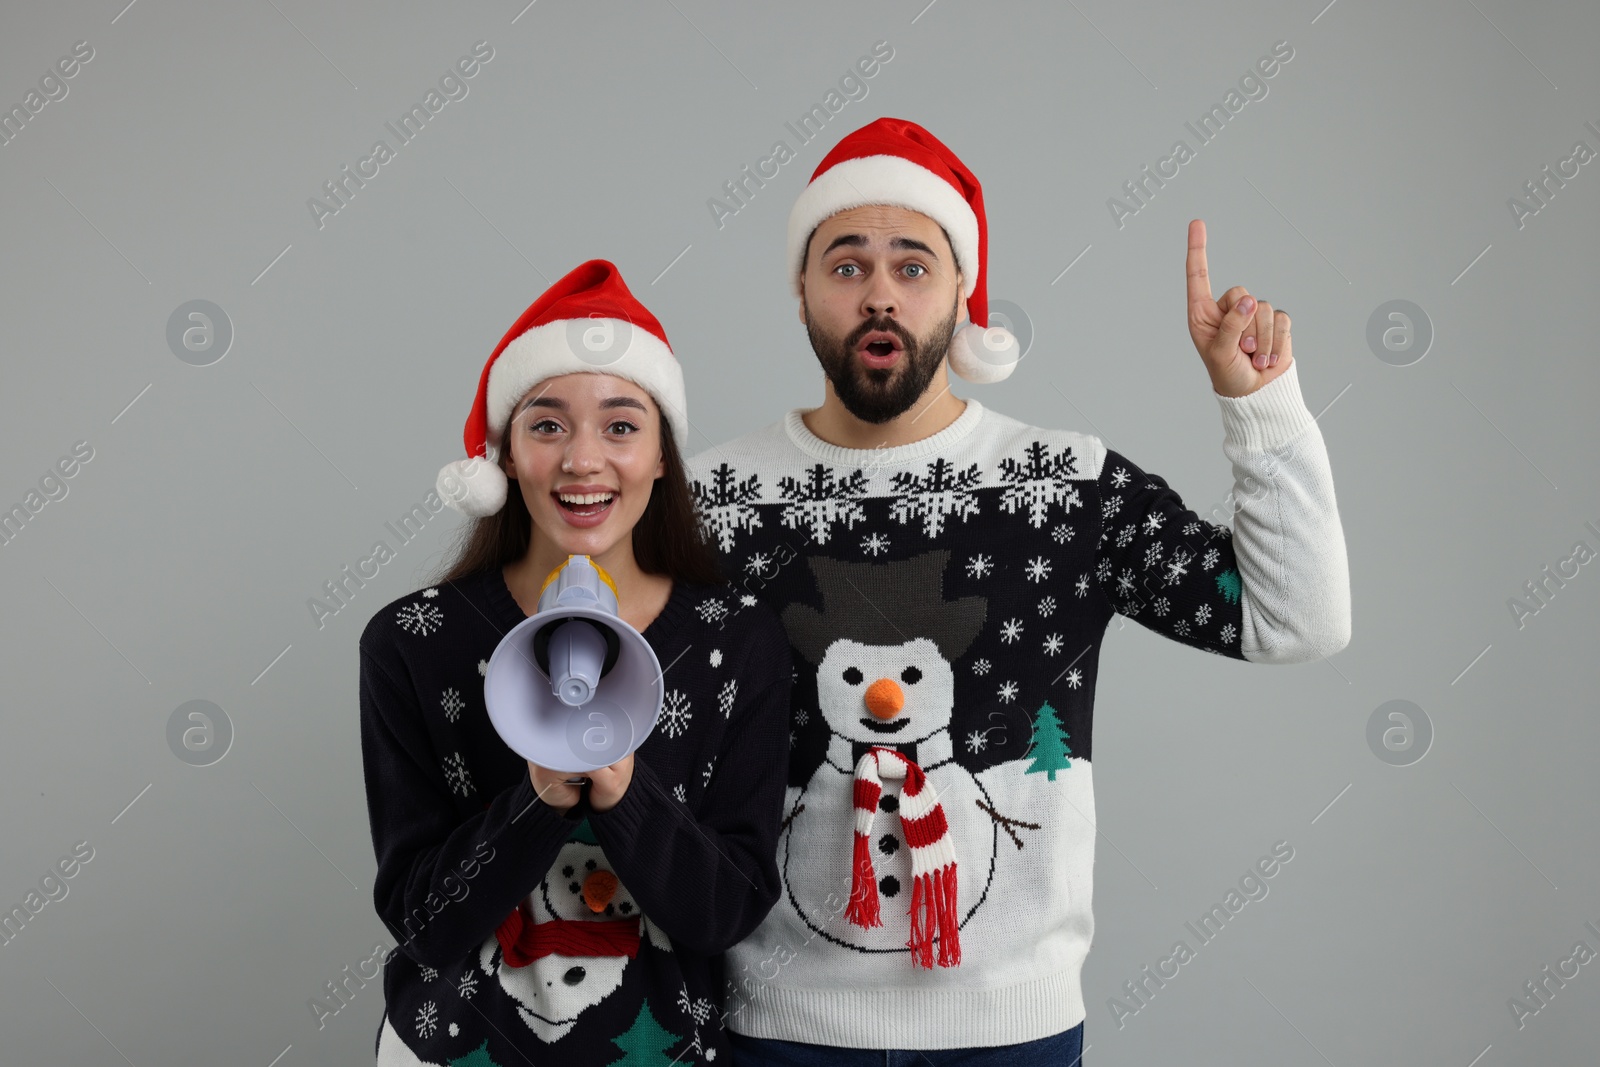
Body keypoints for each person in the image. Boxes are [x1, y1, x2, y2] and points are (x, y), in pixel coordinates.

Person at [681, 118, 1352, 1063]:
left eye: (914, 267)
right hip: (770, 1031)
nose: (880, 295)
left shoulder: (1066, 487)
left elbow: (1296, 619)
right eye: (846, 265)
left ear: (964, 292)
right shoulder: (709, 499)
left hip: (1011, 1037)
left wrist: (1260, 405)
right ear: (801, 291)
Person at [358, 259, 793, 1065]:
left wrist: (627, 794)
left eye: (622, 426)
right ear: (506, 456)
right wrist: (534, 799)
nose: (582, 461)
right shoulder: (413, 641)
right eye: (547, 425)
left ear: (664, 455)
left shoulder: (737, 639)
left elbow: (726, 909)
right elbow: (423, 919)